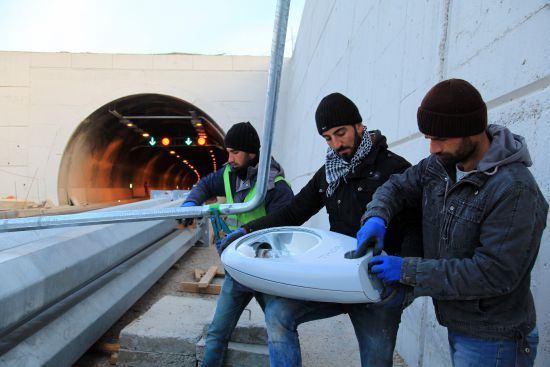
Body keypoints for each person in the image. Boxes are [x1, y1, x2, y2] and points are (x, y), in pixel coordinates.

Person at [220, 93, 421, 366]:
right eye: (328, 138)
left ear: (359, 126)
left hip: (378, 286)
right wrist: (247, 231)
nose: (336, 144)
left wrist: (402, 281)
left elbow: (414, 226)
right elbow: (294, 212)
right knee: (278, 313)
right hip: (338, 277)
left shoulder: (393, 168)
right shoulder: (329, 172)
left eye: (341, 133)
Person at [362, 79, 548, 367]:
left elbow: (492, 274)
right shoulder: (440, 165)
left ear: (471, 129)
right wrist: (376, 216)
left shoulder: (514, 189)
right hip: (461, 326)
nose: (434, 148)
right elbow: (397, 186)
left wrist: (407, 270)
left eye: (441, 138)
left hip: (496, 341)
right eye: (429, 139)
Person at [181, 121, 293, 367]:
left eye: (235, 152)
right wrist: (192, 202)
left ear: (252, 153)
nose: (229, 158)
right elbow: (205, 185)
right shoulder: (229, 175)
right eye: (228, 152)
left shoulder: (276, 186)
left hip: (267, 272)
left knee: (280, 333)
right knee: (217, 333)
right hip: (238, 268)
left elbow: (284, 232)